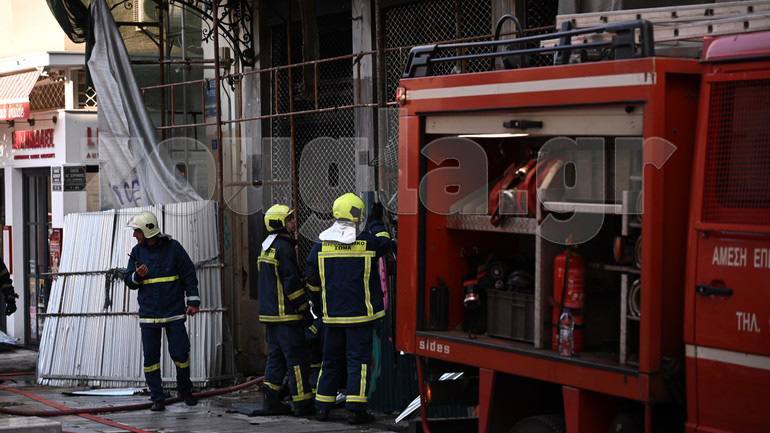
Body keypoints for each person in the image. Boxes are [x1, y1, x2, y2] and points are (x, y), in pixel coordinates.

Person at [306, 193, 393, 424]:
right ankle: (356, 411)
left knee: (330, 360)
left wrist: (317, 303)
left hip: (332, 316)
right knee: (358, 362)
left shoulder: (319, 243)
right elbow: (386, 243)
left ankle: (322, 407)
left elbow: (312, 278)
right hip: (360, 316)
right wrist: (376, 221)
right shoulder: (368, 240)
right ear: (357, 215)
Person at [124, 210, 200, 412]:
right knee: (151, 359)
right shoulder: (137, 252)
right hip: (149, 316)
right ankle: (157, 398)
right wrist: (137, 277)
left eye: (137, 231)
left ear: (147, 232)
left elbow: (188, 273)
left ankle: (185, 391)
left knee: (181, 354)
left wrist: (193, 301)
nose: (134, 235)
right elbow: (128, 281)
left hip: (173, 313)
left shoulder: (173, 248)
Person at [258, 204, 314, 416]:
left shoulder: (266, 247)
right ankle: (303, 404)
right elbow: (291, 283)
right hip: (288, 317)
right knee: (297, 360)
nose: (294, 222)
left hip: (271, 317)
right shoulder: (284, 248)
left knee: (276, 358)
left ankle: (270, 401)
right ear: (279, 223)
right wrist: (304, 309)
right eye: (289, 219)